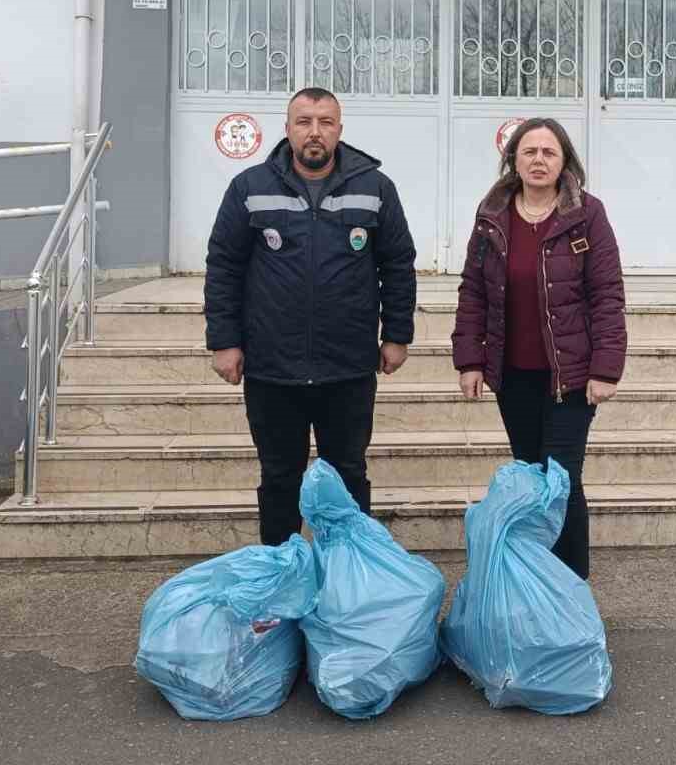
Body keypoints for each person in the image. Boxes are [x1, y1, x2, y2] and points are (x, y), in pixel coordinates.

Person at [204, 88, 416, 546]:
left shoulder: (376, 188)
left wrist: (397, 334)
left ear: (340, 129)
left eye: (325, 121)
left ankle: (349, 578)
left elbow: (397, 264)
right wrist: (225, 340)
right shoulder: (250, 187)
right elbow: (224, 265)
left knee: (348, 476)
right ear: (287, 130)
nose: (314, 132)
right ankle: (281, 577)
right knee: (279, 478)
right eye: (304, 121)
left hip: (348, 366)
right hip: (272, 367)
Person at [451, 118, 625, 580]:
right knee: (530, 479)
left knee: (561, 481)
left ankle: (571, 589)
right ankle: (536, 586)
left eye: (549, 152)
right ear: (514, 160)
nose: (539, 160)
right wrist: (469, 359)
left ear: (564, 159)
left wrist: (606, 367)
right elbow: (473, 291)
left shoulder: (586, 214)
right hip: (513, 374)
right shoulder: (492, 215)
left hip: (570, 376)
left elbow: (607, 293)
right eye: (529, 152)